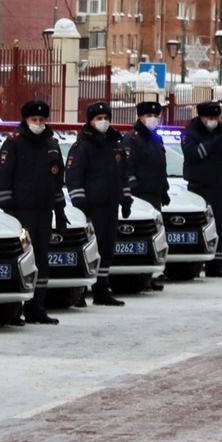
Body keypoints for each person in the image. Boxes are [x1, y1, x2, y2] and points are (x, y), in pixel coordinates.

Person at [0, 99, 69, 324]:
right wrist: (9, 209)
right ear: (26, 120)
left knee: (42, 260)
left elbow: (57, 179)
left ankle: (37, 307)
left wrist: (60, 209)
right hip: (21, 211)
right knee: (21, 259)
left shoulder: (51, 144)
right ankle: (15, 310)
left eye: (41, 120)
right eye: (34, 120)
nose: (38, 123)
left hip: (44, 211)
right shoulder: (14, 143)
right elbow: (2, 177)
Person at [66, 101, 131, 305]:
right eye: (98, 119)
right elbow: (74, 175)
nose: (103, 122)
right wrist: (80, 201)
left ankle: (102, 289)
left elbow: (122, 174)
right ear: (91, 121)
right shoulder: (83, 146)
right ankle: (80, 291)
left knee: (107, 247)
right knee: (88, 248)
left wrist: (125, 198)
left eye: (106, 119)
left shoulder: (114, 144)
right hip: (91, 205)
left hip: (110, 203)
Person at [183, 100, 222, 277]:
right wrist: (213, 144)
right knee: (201, 227)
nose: (213, 121)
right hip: (199, 188)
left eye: (216, 117)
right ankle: (195, 264)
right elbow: (193, 154)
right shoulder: (192, 133)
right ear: (201, 117)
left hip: (219, 187)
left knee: (220, 227)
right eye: (210, 117)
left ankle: (215, 265)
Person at [124, 101, 170, 290]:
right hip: (140, 195)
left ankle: (151, 275)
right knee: (140, 237)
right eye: (148, 115)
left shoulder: (156, 139)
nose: (152, 119)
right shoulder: (132, 139)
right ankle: (138, 275)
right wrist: (134, 187)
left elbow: (161, 166)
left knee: (155, 237)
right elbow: (128, 166)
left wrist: (164, 188)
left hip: (154, 195)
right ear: (140, 117)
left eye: (155, 115)